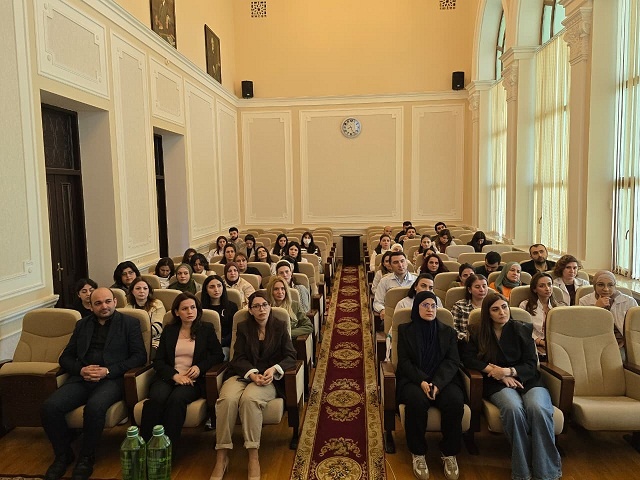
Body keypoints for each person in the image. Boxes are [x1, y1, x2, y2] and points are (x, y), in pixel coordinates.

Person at [41, 287, 146, 480]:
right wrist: (81, 370)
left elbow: (139, 357)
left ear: (115, 302)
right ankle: (63, 455)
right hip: (83, 377)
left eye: (107, 301)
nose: (104, 306)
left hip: (112, 379)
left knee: (95, 407)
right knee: (50, 407)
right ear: (90, 306)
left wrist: (108, 371)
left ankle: (86, 457)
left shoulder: (130, 323)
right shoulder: (82, 325)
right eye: (98, 303)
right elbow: (65, 357)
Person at [461, 292, 562, 480]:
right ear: (487, 313)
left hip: (527, 380)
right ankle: (521, 471)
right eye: (495, 309)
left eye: (504, 307)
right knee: (513, 409)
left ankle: (546, 472)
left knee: (538, 408)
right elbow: (468, 359)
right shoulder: (477, 331)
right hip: (496, 384)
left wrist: (508, 372)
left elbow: (531, 364)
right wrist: (495, 372)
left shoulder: (522, 328)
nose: (502, 312)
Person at [211, 292, 297, 480]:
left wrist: (274, 369)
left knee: (249, 400)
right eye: (256, 306)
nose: (261, 309)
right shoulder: (243, 327)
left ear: (270, 306)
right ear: (250, 310)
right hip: (242, 374)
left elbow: (291, 356)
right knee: (227, 400)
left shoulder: (280, 326)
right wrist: (251, 374)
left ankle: (253, 456)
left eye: (265, 305)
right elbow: (238, 358)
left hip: (267, 378)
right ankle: (222, 456)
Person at [396, 291, 464, 480]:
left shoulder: (448, 332)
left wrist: (438, 384)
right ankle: (418, 453)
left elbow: (452, 361)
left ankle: (449, 453)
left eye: (433, 305)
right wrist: (422, 381)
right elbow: (404, 362)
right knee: (416, 401)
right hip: (414, 380)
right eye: (425, 305)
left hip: (443, 380)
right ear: (416, 308)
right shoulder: (405, 330)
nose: (430, 309)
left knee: (455, 401)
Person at [140, 293, 223, 445]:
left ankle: (168, 447)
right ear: (177, 312)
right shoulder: (169, 330)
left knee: (176, 400)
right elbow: (158, 361)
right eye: (185, 309)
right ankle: (145, 445)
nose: (190, 311)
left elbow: (218, 355)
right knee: (156, 399)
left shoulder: (206, 329)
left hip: (193, 380)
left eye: (193, 307)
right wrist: (175, 376)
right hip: (169, 377)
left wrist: (199, 367)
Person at [579, 270, 638, 355]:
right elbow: (583, 329)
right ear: (594, 285)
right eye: (600, 285)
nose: (606, 289)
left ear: (615, 286)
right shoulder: (584, 301)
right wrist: (596, 308)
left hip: (623, 344)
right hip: (595, 343)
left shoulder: (629, 301)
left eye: (610, 285)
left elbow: (636, 328)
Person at [519, 272, 562, 355]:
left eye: (549, 284)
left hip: (555, 345)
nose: (547, 288)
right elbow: (523, 330)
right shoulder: (525, 305)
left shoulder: (559, 306)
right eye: (542, 286)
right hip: (532, 344)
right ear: (534, 289)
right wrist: (540, 342)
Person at [201, 275, 239, 360]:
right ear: (206, 290)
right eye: (212, 287)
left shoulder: (232, 306)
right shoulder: (200, 308)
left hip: (224, 344)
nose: (216, 289)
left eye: (219, 286)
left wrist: (220, 343)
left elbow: (234, 331)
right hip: (204, 344)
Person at [124, 277, 166, 351]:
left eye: (145, 288)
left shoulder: (157, 304)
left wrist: (135, 334)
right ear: (132, 291)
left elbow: (158, 328)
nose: (142, 291)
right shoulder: (128, 307)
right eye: (138, 288)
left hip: (154, 339)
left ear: (149, 291)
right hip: (132, 340)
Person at [374, 251, 417, 321]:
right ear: (390, 266)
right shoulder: (384, 281)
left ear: (407, 263)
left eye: (402, 261)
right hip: (391, 316)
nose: (400, 265)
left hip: (413, 315)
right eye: (396, 262)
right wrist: (382, 310)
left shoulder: (417, 280)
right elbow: (377, 302)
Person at [451, 274, 488, 340]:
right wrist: (466, 338)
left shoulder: (493, 305)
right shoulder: (459, 305)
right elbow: (453, 328)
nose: (482, 290)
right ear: (469, 289)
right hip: (466, 342)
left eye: (484, 286)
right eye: (477, 287)